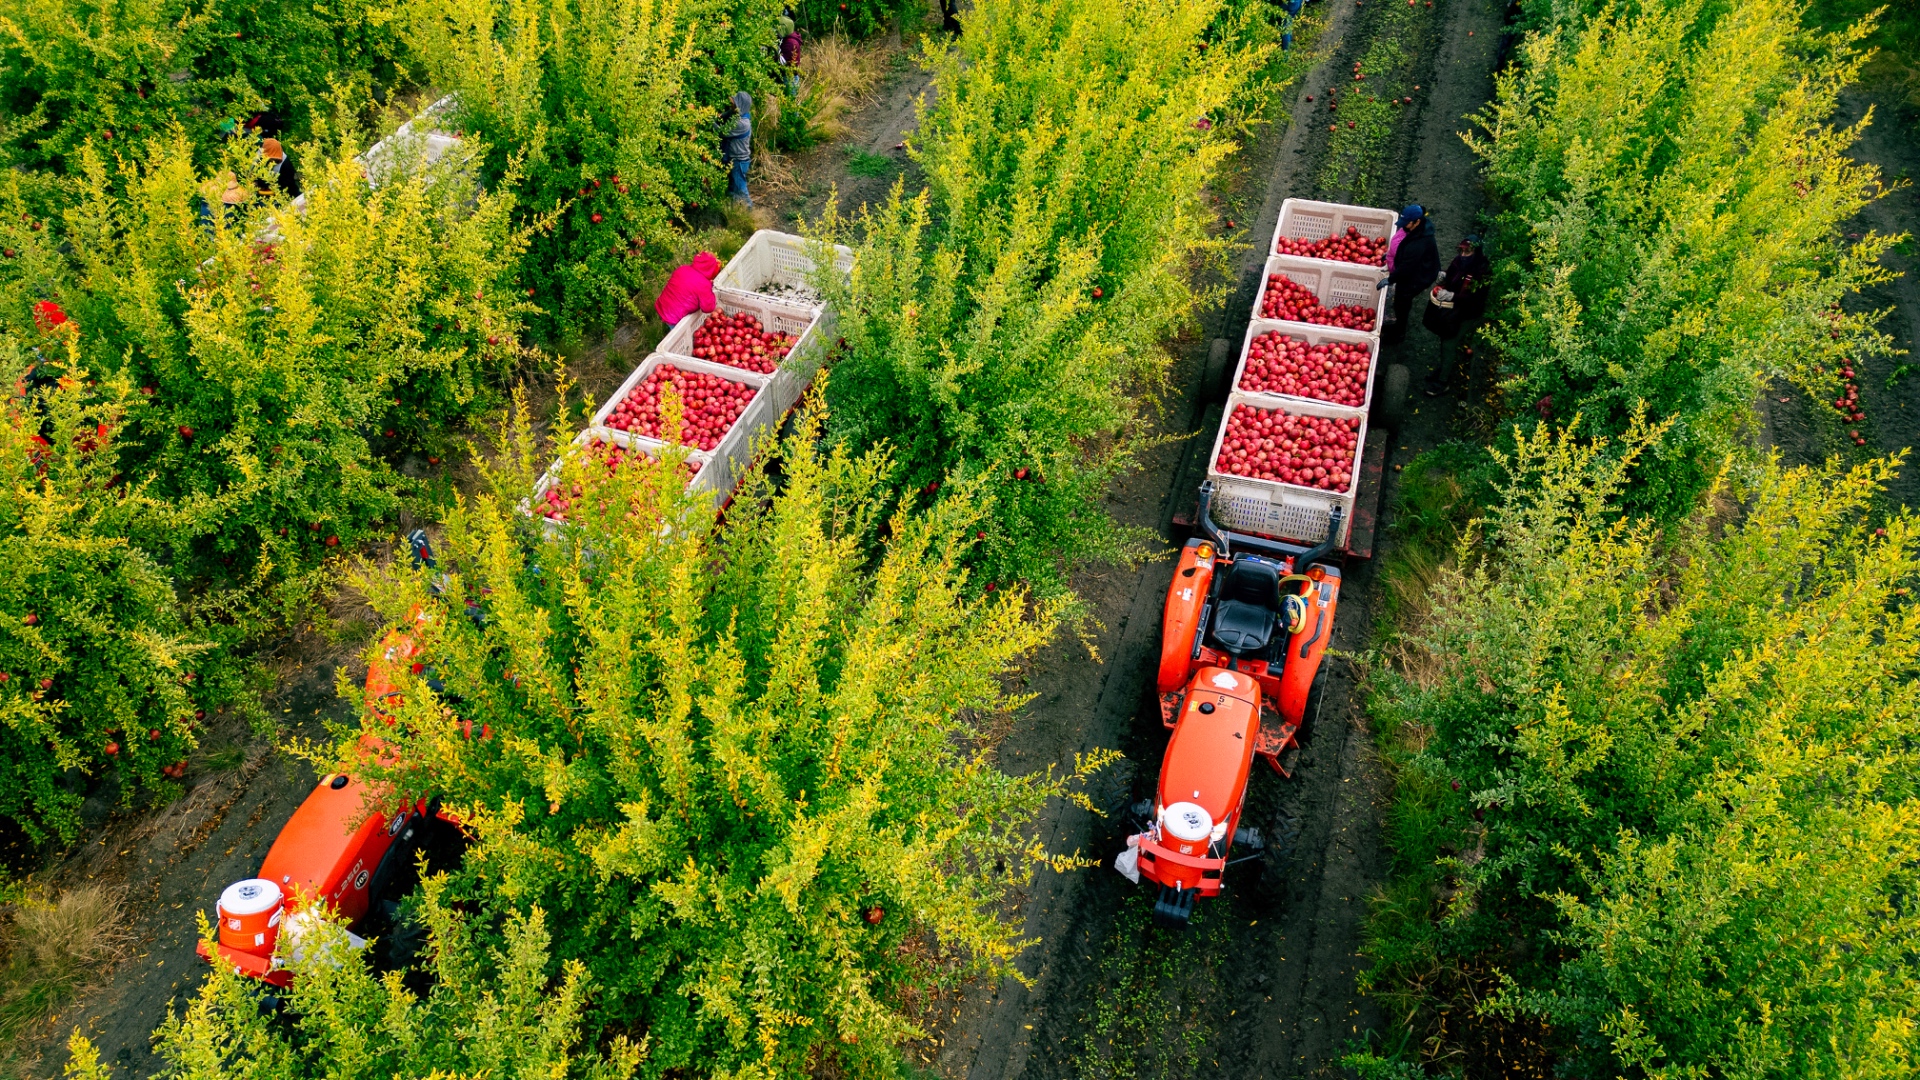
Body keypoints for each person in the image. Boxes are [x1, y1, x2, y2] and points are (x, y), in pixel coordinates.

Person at [1421, 235, 1493, 396]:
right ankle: (1442, 368)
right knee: (1444, 335)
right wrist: (1444, 279)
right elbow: (1452, 273)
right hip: (1454, 308)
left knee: (1449, 343)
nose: (1463, 255)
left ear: (1476, 251)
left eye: (1468, 252)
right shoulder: (1459, 260)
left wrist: (1452, 296)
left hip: (1467, 313)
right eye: (1462, 251)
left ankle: (1443, 382)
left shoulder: (1482, 271)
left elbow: (1475, 299)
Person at [1380, 204, 1439, 346]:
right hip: (1415, 268)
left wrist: (1391, 279)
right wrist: (1389, 256)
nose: (1404, 226)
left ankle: (1399, 333)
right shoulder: (1418, 229)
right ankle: (1397, 326)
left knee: (1402, 300)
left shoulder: (1419, 243)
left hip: (1419, 276)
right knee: (1400, 299)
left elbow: (1407, 267)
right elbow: (1403, 250)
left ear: (1417, 221)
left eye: (1407, 223)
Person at [654, 251, 723, 328]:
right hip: (674, 316)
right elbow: (708, 308)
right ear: (711, 269)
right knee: (677, 335)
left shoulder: (683, 269)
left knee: (669, 322)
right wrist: (709, 290)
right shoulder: (704, 285)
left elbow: (687, 285)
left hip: (662, 305)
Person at [719, 91, 753, 207]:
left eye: (734, 104)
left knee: (741, 189)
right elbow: (731, 112)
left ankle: (749, 211)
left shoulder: (742, 123)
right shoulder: (744, 115)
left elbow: (722, 132)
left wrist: (709, 121)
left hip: (739, 162)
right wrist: (721, 115)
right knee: (732, 189)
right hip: (736, 160)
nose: (732, 106)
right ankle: (734, 210)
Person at [780, 24, 802, 95]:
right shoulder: (788, 39)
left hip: (790, 78)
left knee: (789, 102)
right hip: (789, 76)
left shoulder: (790, 42)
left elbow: (783, 61)